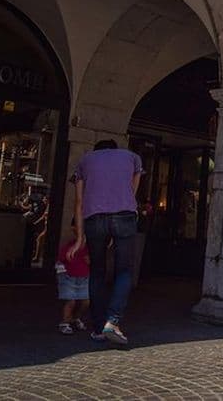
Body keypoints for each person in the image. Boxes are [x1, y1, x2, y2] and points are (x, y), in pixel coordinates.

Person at [67, 139, 142, 344]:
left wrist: (80, 237)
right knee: (124, 270)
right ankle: (113, 321)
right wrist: (125, 203)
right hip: (124, 215)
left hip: (95, 218)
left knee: (97, 272)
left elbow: (79, 202)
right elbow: (133, 188)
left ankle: (99, 328)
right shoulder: (132, 157)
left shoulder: (85, 161)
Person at [55, 220, 90, 335]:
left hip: (84, 276)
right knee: (71, 301)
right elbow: (61, 260)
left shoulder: (90, 247)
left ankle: (76, 318)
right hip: (69, 276)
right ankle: (65, 322)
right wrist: (62, 274)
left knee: (86, 301)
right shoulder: (70, 246)